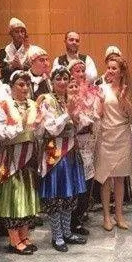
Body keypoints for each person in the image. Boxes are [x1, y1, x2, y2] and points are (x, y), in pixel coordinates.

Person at [36, 67, 88, 251]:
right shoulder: (47, 100)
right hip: (54, 153)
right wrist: (68, 114)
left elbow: (79, 126)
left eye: (66, 78)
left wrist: (78, 117)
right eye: (58, 78)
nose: (63, 82)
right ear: (52, 81)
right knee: (55, 196)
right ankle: (57, 236)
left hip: (71, 151)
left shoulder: (70, 99)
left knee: (69, 195)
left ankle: (67, 232)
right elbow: (51, 129)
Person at [0, 71, 41, 255]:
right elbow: (0, 132)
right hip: (11, 157)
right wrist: (19, 128)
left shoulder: (33, 105)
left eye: (27, 84)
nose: (25, 88)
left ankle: (24, 236)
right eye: (20, 84)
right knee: (13, 198)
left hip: (30, 156)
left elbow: (39, 131)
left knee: (27, 196)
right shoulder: (4, 105)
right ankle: (14, 239)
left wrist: (38, 126)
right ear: (11, 86)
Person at [95, 55, 132, 231]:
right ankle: (106, 215)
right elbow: (98, 114)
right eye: (109, 68)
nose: (110, 71)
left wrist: (122, 99)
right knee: (105, 178)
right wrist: (99, 101)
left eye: (114, 68)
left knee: (120, 178)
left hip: (122, 135)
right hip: (106, 136)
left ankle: (119, 214)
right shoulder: (101, 88)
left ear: (121, 72)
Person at [69, 59, 102, 235]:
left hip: (90, 142)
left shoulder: (92, 92)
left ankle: (80, 215)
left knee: (88, 180)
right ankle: (72, 220)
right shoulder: (69, 93)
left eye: (83, 71)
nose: (81, 74)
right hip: (74, 144)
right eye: (77, 71)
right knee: (76, 182)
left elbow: (98, 115)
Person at [0, 18, 31, 83]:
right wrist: (11, 67)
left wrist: (21, 67)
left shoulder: (31, 51)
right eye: (16, 32)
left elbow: (36, 71)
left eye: (22, 31)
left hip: (27, 84)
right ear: (11, 34)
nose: (20, 34)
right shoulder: (3, 52)